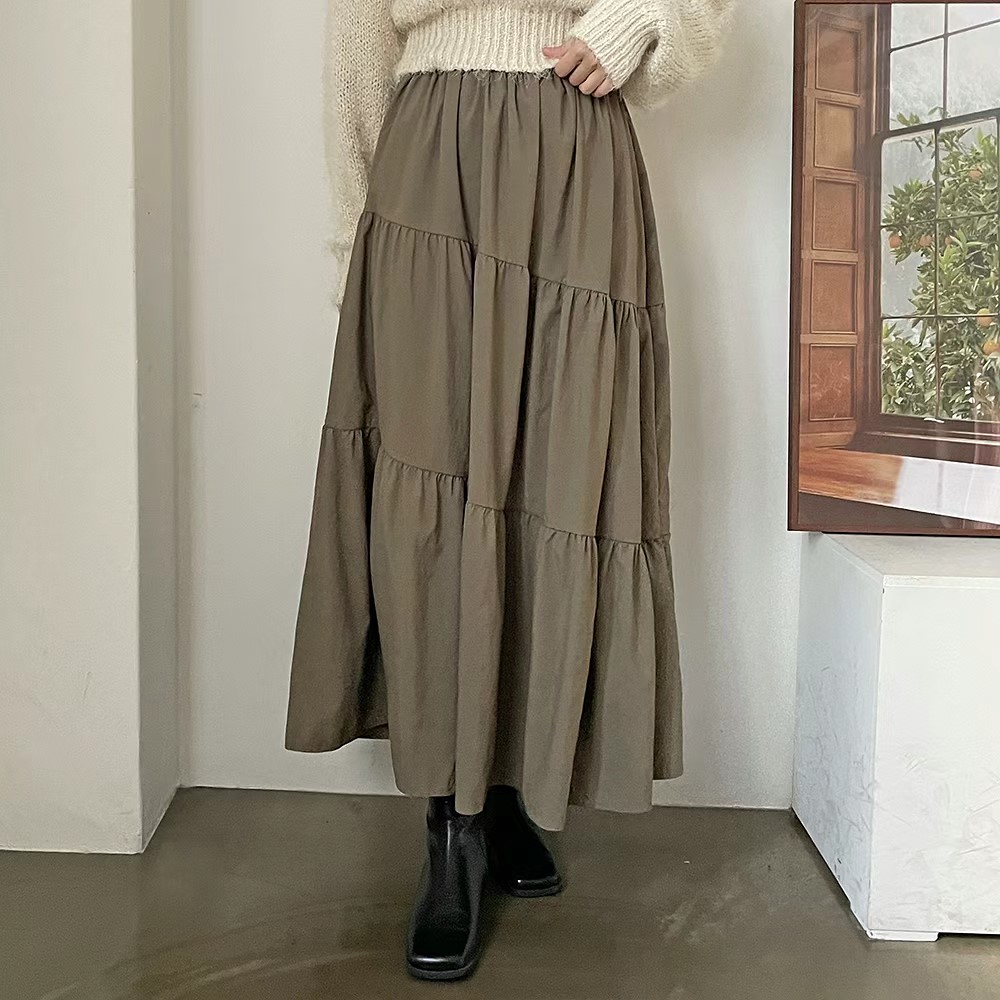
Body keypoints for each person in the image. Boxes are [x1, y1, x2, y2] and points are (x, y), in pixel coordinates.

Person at [285, 0, 734, 981]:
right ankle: (452, 825)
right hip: (429, 165)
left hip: (576, 155)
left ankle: (510, 791)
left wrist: (639, 20)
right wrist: (353, 245)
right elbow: (356, 44)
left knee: (560, 475)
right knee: (435, 491)